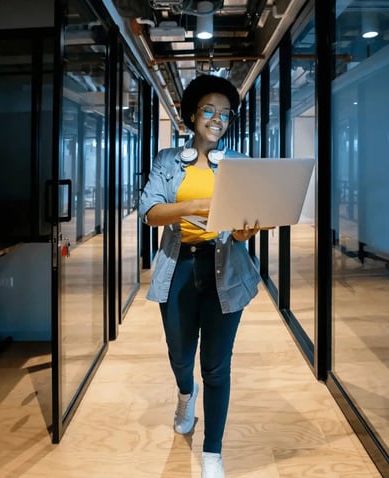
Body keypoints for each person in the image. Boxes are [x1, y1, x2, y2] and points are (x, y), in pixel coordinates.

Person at [138, 74, 262, 478]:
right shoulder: (167, 161)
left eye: (225, 114)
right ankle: (184, 394)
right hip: (179, 266)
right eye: (209, 110)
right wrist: (198, 204)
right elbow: (150, 212)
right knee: (179, 353)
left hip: (225, 267)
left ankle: (213, 452)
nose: (217, 119)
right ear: (192, 115)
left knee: (216, 365)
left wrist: (246, 230)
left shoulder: (240, 163)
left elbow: (241, 228)